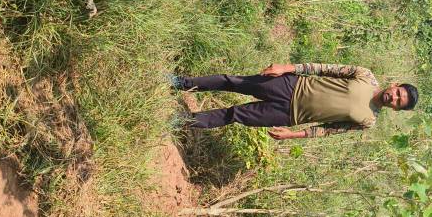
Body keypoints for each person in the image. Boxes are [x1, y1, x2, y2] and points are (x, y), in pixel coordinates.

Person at [170, 62, 418, 139]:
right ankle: (180, 83)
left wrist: (292, 134)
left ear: (396, 109)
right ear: (395, 85)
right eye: (399, 93)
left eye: (399, 102)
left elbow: (328, 131)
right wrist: (287, 68)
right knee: (233, 81)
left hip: (289, 114)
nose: (395, 97)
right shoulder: (365, 76)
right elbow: (324, 68)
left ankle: (182, 121)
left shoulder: (369, 121)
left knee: (234, 115)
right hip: (291, 85)